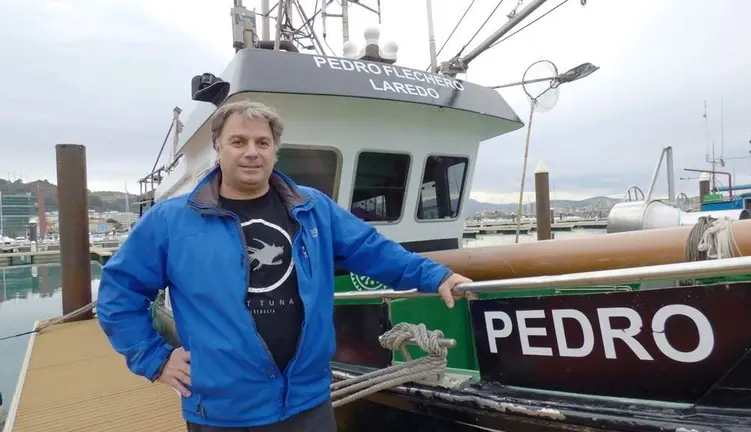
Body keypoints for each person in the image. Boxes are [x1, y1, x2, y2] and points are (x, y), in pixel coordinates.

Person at [96, 100, 472, 432]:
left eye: (262, 143)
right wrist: (155, 358)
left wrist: (434, 275)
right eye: (238, 141)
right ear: (218, 147)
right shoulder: (170, 221)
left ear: (275, 151)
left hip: (304, 402)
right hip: (222, 411)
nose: (252, 152)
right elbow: (119, 293)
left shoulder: (313, 208)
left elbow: (371, 249)